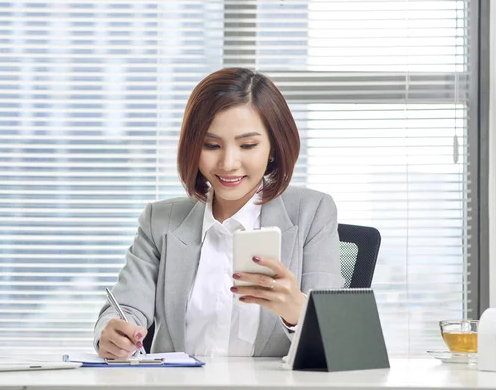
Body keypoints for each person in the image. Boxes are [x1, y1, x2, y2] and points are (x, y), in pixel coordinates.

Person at [94, 67, 344, 358]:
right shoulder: (160, 221)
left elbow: (338, 340)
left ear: (273, 148)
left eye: (247, 145)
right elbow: (126, 307)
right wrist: (112, 334)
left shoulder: (312, 212)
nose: (228, 163)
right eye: (211, 145)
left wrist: (297, 311)